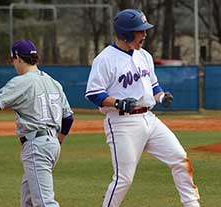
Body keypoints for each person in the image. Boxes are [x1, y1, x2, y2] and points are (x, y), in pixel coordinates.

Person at [85, 9, 200, 207]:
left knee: (179, 159)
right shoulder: (105, 59)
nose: (145, 35)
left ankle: (192, 205)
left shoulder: (144, 56)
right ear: (126, 33)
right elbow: (93, 93)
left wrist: (161, 96)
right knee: (124, 179)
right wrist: (118, 102)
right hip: (122, 123)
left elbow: (153, 86)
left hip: (150, 119)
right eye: (140, 31)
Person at [0, 39, 74, 207]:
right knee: (28, 201)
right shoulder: (53, 82)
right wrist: (56, 141)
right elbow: (68, 118)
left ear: (18, 57)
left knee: (44, 203)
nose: (13, 64)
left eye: (13, 60)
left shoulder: (22, 81)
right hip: (50, 145)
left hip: (36, 146)